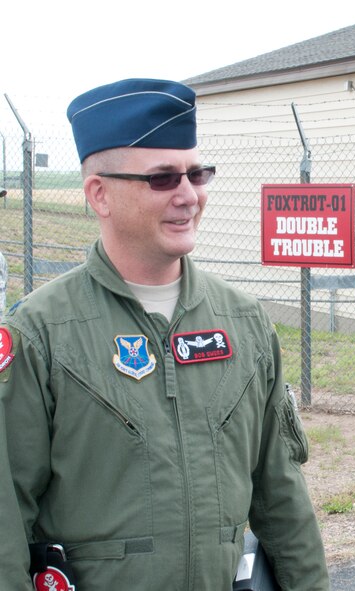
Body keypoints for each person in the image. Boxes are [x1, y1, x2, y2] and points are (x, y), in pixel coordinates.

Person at [0, 79, 330, 590]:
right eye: (161, 179)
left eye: (197, 174)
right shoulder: (40, 334)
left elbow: (281, 496)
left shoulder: (244, 323)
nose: (188, 195)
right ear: (100, 194)